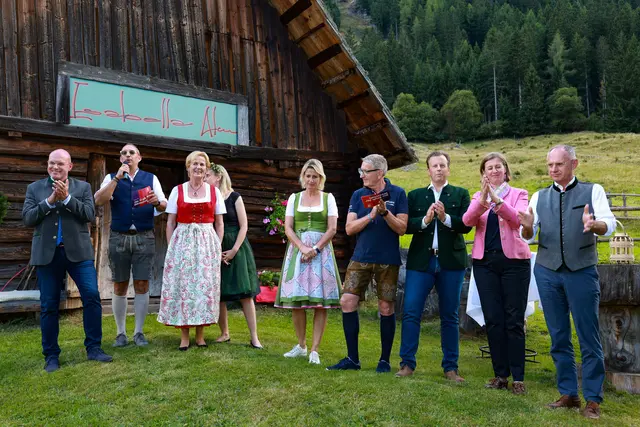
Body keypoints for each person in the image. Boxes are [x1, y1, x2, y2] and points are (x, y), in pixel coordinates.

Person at [519, 145, 616, 419]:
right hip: (547, 272)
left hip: (581, 271)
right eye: (550, 165)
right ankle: (568, 393)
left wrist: (594, 225)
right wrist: (528, 225)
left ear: (574, 164)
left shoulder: (593, 191)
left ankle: (593, 399)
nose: (553, 169)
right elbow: (528, 236)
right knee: (558, 335)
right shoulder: (539, 196)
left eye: (559, 164)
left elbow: (609, 225)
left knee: (588, 335)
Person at [22, 149, 112, 372]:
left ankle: (94, 348)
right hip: (47, 255)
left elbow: (89, 214)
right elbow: (28, 218)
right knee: (49, 305)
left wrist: (68, 199)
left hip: (78, 253)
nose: (55, 167)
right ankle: (51, 356)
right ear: (47, 164)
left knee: (91, 296)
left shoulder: (83, 188)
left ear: (70, 167)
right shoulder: (35, 188)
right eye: (52, 163)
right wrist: (50, 201)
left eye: (60, 164)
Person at [327, 154, 408, 373]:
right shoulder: (358, 194)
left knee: (386, 307)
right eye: (361, 171)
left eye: (365, 171)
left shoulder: (398, 193)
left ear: (380, 173)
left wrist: (385, 213)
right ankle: (352, 359)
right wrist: (371, 216)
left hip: (388, 260)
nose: (361, 175)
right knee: (347, 301)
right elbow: (349, 228)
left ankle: (384, 361)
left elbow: (402, 228)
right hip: (361, 257)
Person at [396, 151, 472, 381]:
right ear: (428, 170)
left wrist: (445, 218)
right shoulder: (416, 195)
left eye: (442, 165)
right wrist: (425, 220)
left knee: (449, 315)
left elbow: (466, 225)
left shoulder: (460, 194)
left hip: (451, 262)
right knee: (411, 312)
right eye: (434, 166)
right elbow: (406, 226)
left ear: (448, 168)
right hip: (421, 261)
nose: (439, 169)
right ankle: (407, 364)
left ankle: (451, 368)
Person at [462, 152, 531, 394]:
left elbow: (518, 220)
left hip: (515, 263)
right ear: (483, 174)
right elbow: (467, 221)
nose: (494, 171)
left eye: (498, 167)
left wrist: (497, 200)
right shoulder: (477, 197)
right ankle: (500, 375)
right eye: (489, 168)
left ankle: (518, 377)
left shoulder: (520, 194)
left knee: (514, 320)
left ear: (505, 171)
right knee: (493, 319)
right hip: (485, 264)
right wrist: (483, 199)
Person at [94, 144, 167, 347]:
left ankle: (139, 332)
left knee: (142, 284)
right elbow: (99, 200)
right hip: (119, 237)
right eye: (124, 153)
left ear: (139, 157)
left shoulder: (151, 178)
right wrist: (117, 178)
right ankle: (120, 333)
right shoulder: (112, 177)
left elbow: (165, 205)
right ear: (120, 159)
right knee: (120, 284)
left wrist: (156, 202)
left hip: (144, 237)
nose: (127, 155)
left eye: (131, 152)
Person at [275, 159, 342, 365]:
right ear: (303, 177)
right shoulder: (294, 198)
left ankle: (315, 350)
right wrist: (302, 248)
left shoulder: (328, 198)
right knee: (297, 303)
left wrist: (315, 249)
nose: (311, 180)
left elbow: (332, 228)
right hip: (298, 252)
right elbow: (288, 228)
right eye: (308, 176)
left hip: (321, 253)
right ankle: (301, 345)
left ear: (321, 178)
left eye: (315, 176)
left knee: (320, 304)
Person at [157, 151, 225, 350]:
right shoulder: (178, 191)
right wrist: (172, 248)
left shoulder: (214, 192)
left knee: (203, 287)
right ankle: (184, 336)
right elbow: (170, 222)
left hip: (206, 243)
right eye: (194, 164)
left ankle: (200, 335)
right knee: (184, 287)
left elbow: (220, 223)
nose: (198, 167)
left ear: (206, 169)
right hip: (183, 242)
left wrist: (217, 246)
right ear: (188, 168)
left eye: (202, 164)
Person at [205, 164, 263, 349]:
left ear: (218, 177)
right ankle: (224, 333)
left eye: (208, 175)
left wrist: (234, 250)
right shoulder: (209, 198)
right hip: (216, 245)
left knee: (245, 293)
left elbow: (244, 225)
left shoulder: (235, 197)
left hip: (237, 246)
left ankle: (254, 337)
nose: (205, 178)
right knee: (219, 292)